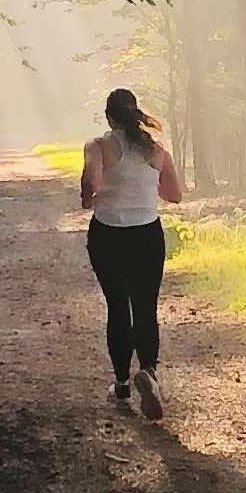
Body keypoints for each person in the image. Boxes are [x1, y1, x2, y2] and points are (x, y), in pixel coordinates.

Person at [79, 86, 183, 419]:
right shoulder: (156, 150)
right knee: (145, 305)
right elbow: (175, 195)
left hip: (108, 234)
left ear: (109, 117)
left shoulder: (98, 147)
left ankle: (122, 383)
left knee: (118, 307)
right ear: (135, 113)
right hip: (147, 235)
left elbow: (90, 181)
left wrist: (87, 199)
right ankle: (149, 373)